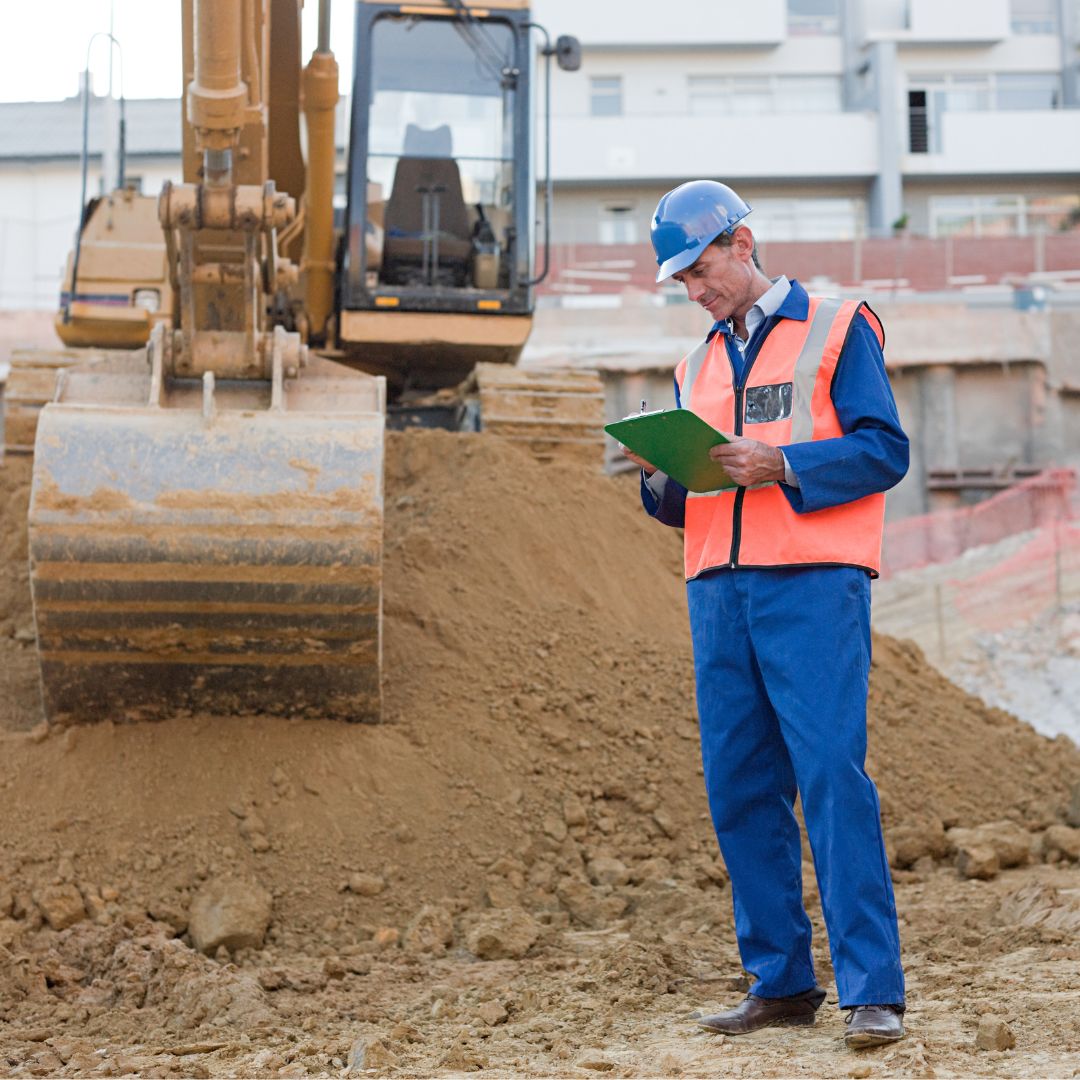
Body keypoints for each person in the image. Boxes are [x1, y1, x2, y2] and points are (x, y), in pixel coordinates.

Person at [626, 180, 908, 1050]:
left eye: (701, 270)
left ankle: (873, 989)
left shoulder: (836, 325)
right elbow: (697, 495)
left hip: (812, 585)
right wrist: (656, 479)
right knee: (740, 789)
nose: (694, 290)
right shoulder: (696, 363)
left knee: (829, 775)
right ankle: (780, 981)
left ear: (742, 243)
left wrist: (781, 465)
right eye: (681, 280)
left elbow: (883, 449)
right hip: (718, 589)